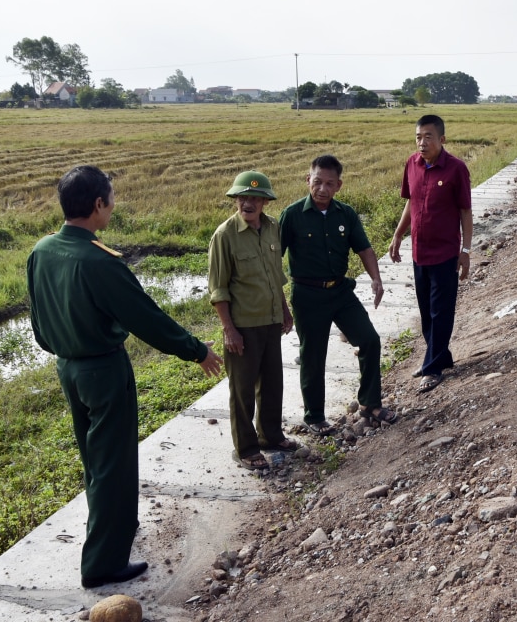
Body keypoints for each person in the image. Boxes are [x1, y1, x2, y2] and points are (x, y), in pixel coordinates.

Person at [27, 165, 223, 589]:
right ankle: (103, 563)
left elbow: (39, 323)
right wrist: (196, 349)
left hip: (68, 368)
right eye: (111, 200)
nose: (113, 208)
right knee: (113, 465)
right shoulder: (98, 261)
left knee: (95, 461)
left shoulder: (42, 250)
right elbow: (146, 318)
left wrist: (64, 352)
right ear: (98, 204)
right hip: (103, 369)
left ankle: (111, 532)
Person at [279, 154, 397, 434]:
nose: (322, 189)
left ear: (338, 186)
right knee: (313, 355)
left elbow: (364, 248)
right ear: (308, 180)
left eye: (329, 184)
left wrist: (376, 279)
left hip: (340, 291)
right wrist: (282, 304)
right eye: (317, 182)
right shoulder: (292, 215)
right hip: (307, 294)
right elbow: (274, 261)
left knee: (369, 339)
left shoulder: (346, 214)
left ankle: (370, 403)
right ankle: (315, 417)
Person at [208, 171, 298, 471]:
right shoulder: (224, 236)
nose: (247, 203)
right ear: (235, 200)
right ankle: (246, 448)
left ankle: (270, 436)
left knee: (273, 383)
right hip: (243, 326)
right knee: (242, 390)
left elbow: (275, 275)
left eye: (254, 198)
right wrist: (229, 330)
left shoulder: (272, 227)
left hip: (271, 320)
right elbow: (218, 289)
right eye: (242, 197)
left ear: (264, 201)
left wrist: (284, 311)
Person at [388, 114, 472, 393]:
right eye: (418, 137)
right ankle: (438, 356)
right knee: (426, 311)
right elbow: (410, 203)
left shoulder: (456, 169)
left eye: (428, 137)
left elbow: (465, 212)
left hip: (446, 252)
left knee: (441, 311)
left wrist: (466, 250)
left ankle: (433, 368)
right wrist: (398, 234)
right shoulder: (411, 164)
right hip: (419, 251)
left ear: (442, 140)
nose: (422, 143)